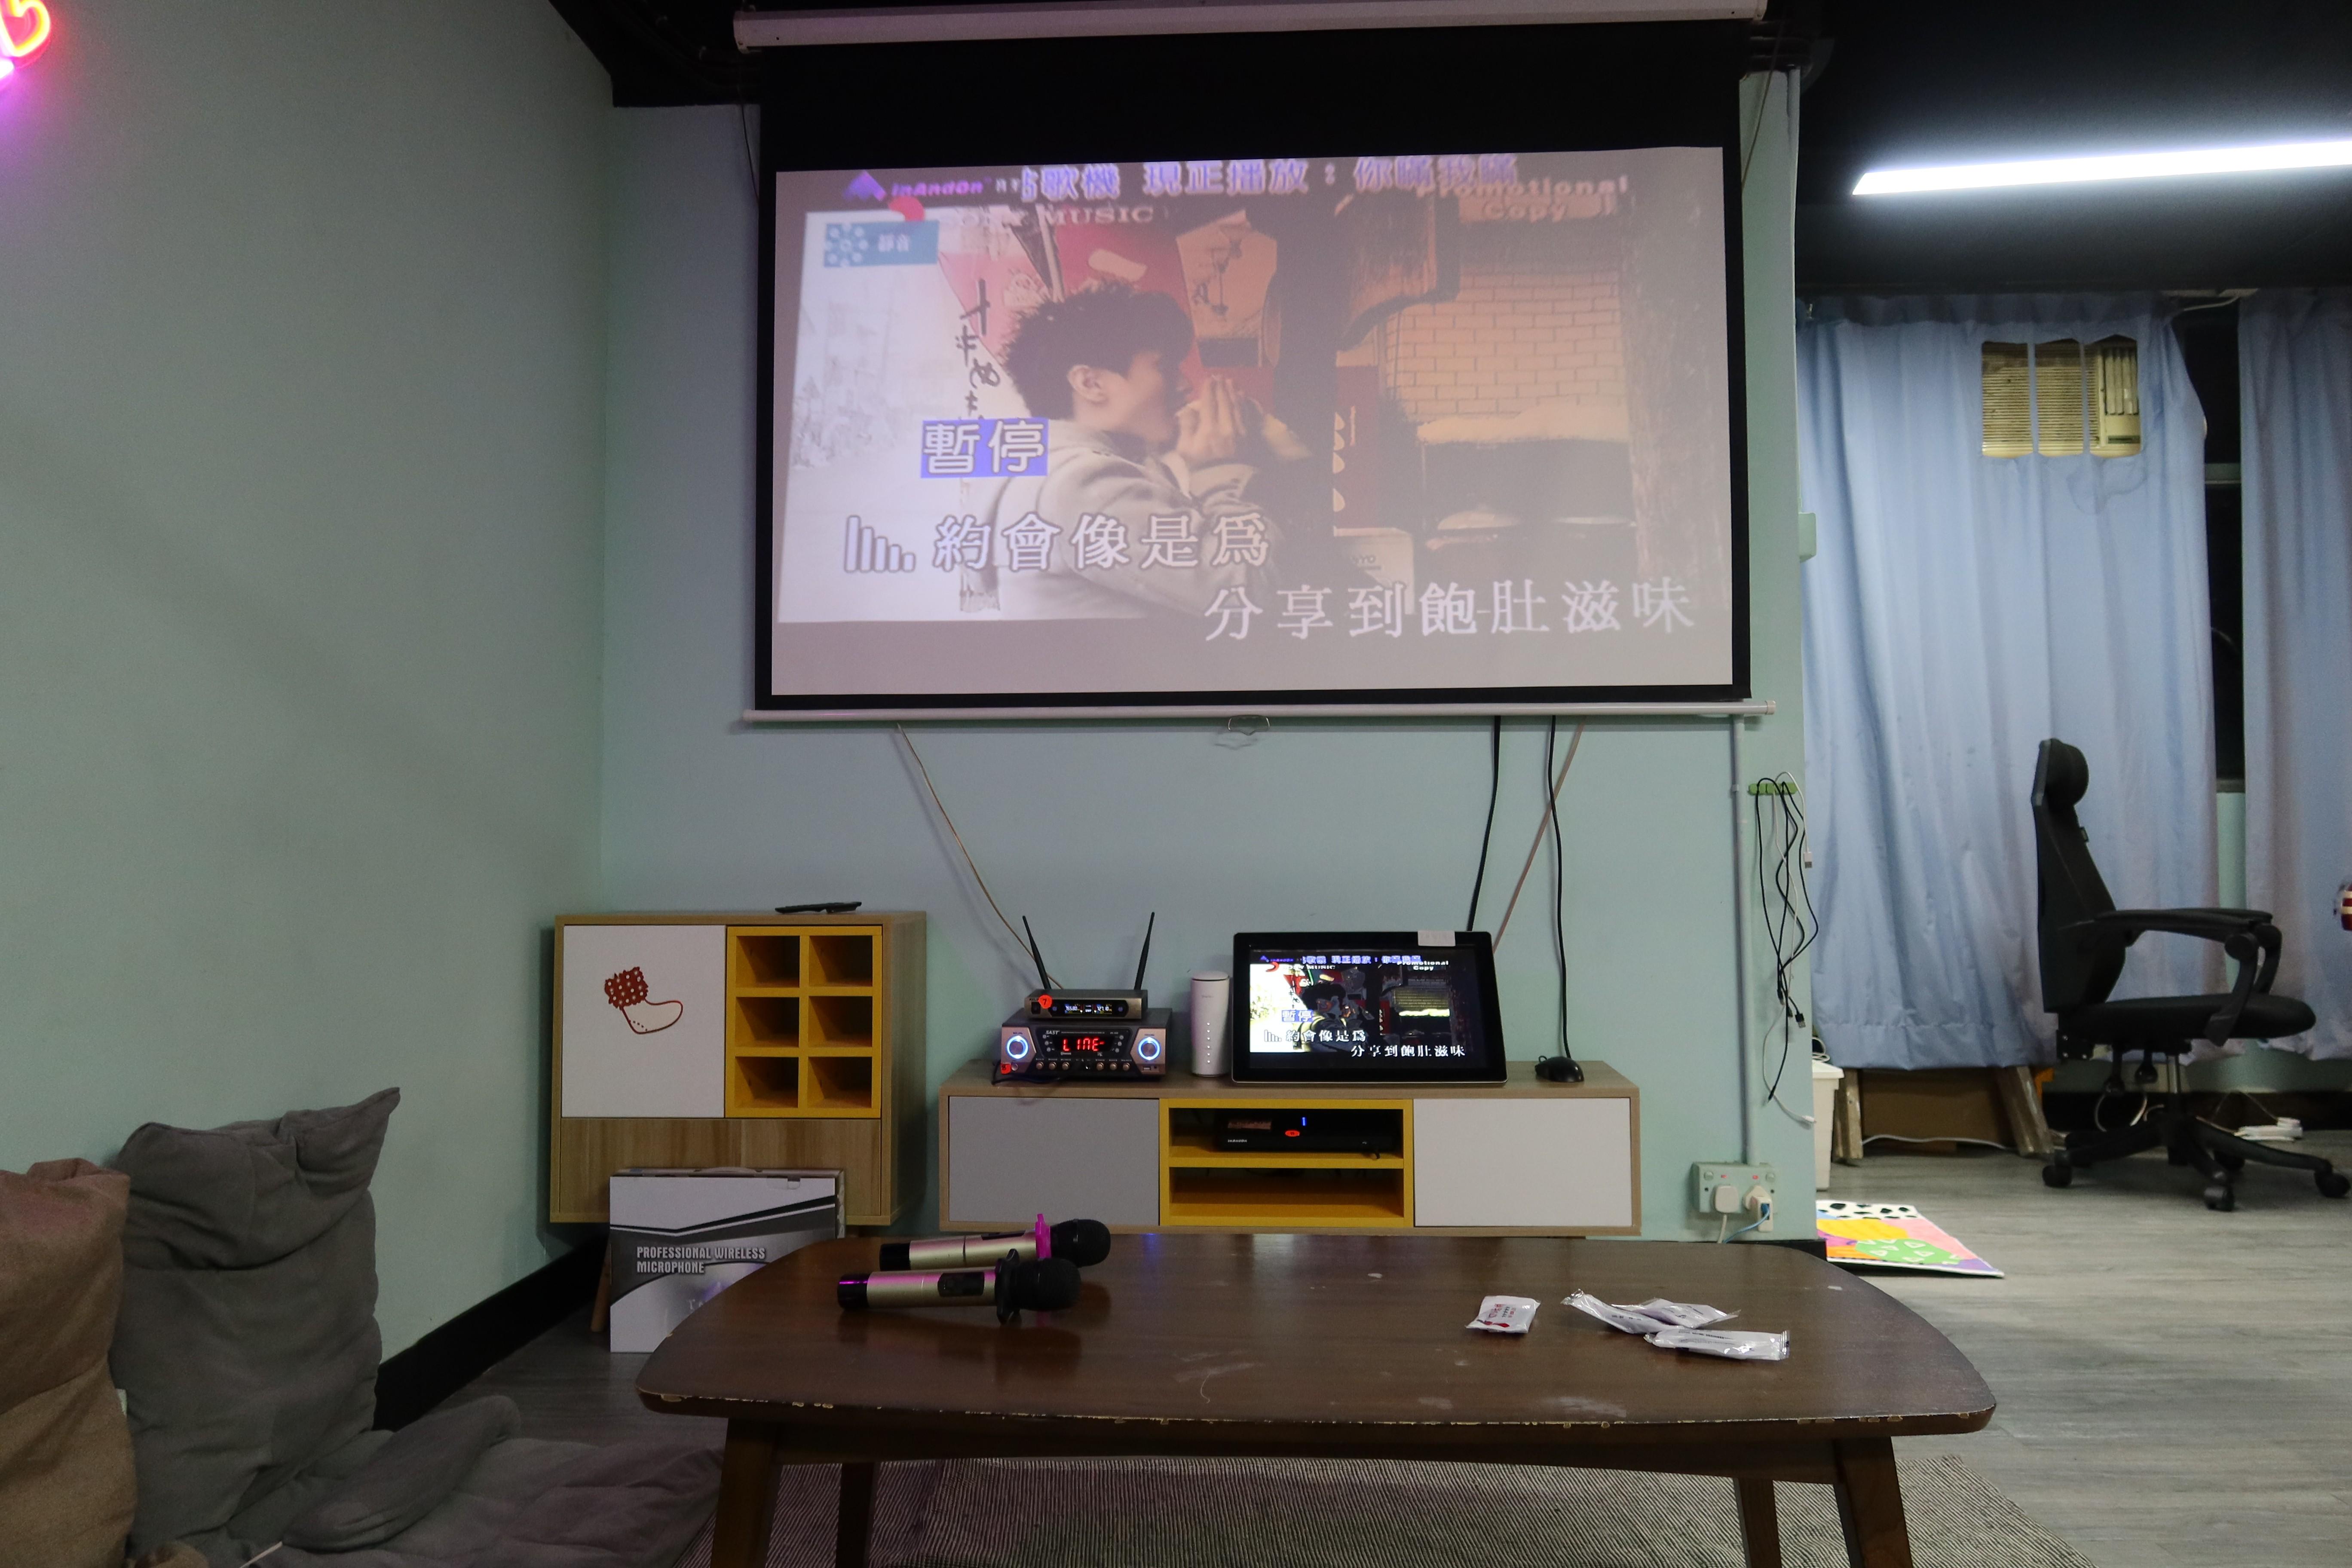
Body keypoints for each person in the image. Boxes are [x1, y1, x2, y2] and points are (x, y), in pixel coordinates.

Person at [970, 282, 1311, 619]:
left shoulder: (1048, 470)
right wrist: (1221, 470)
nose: (1185, 385)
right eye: (1163, 367)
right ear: (1091, 384)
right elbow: (1248, 588)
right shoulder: (1084, 485)